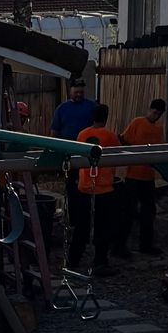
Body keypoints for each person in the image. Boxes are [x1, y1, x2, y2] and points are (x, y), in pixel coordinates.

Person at [65, 103, 122, 274]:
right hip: (103, 188)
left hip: (84, 186)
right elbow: (117, 156)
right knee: (102, 226)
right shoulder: (110, 137)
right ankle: (100, 262)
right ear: (106, 117)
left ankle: (73, 259)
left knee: (82, 226)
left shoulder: (82, 134)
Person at [112, 97, 166, 259]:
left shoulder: (158, 129)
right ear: (149, 110)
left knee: (149, 212)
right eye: (153, 112)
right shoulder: (138, 123)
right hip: (133, 175)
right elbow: (123, 139)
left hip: (148, 175)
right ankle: (119, 246)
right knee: (128, 211)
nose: (154, 115)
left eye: (157, 113)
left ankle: (146, 244)